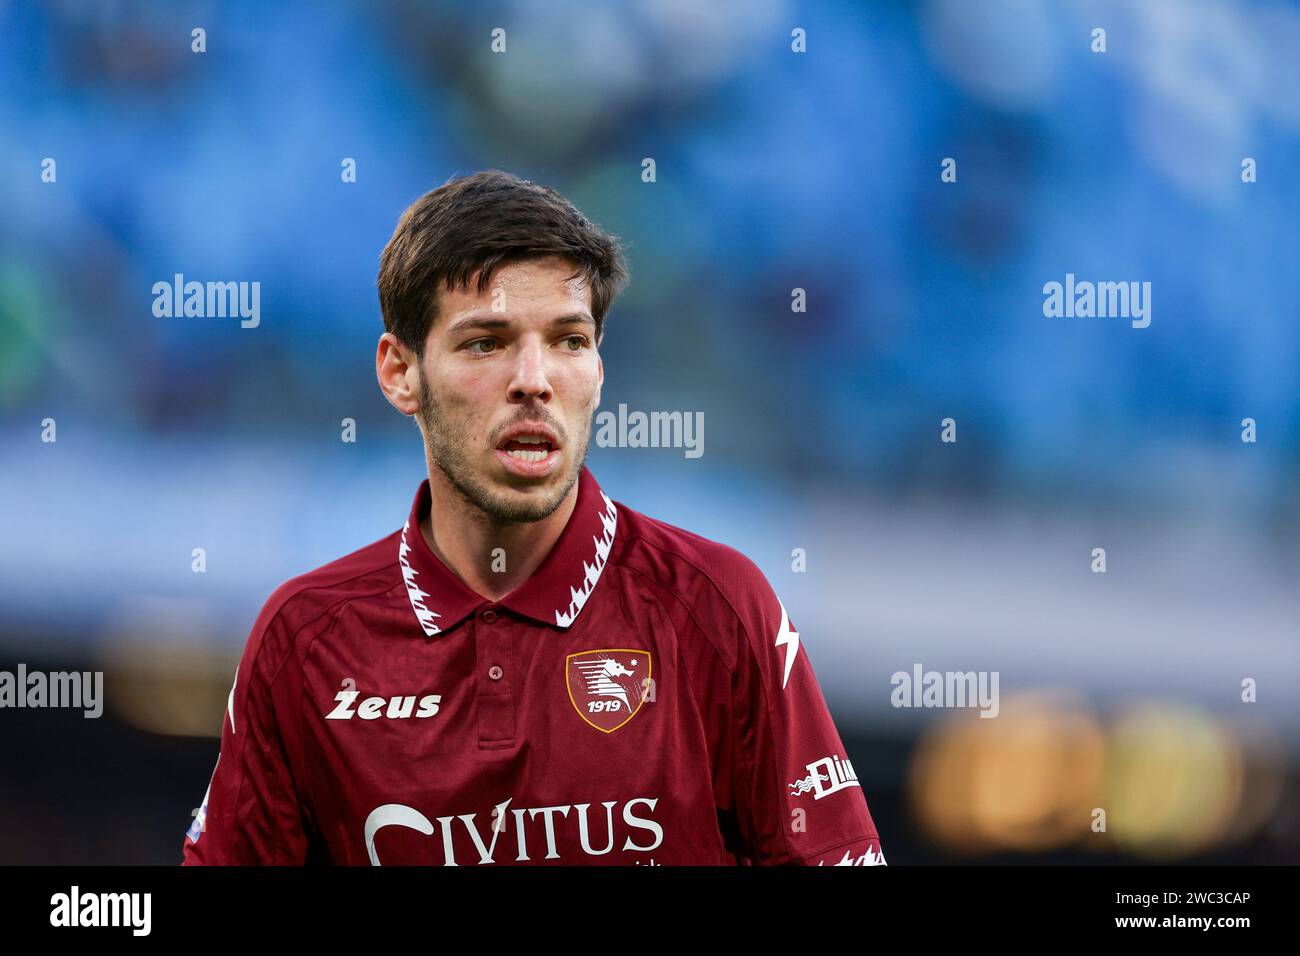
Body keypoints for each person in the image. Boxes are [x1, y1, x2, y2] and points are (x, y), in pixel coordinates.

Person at [182, 169, 884, 866]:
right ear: (401, 373)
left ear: (600, 371)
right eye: (485, 342)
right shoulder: (305, 640)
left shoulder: (719, 606)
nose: (534, 379)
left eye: (568, 340)